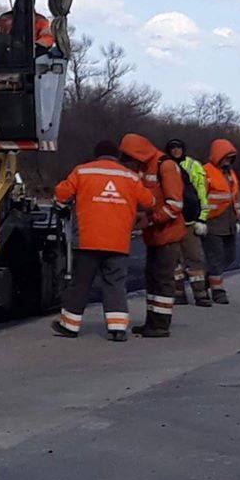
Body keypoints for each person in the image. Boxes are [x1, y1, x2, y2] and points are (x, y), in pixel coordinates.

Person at [51, 139, 154, 342]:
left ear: (97, 154)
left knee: (80, 283)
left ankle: (70, 326)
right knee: (115, 284)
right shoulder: (130, 177)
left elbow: (61, 194)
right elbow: (149, 201)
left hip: (87, 241)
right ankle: (117, 328)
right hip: (117, 242)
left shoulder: (82, 172)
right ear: (116, 156)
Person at [120, 133, 187, 337]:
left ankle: (160, 325)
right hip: (155, 235)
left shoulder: (165, 166)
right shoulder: (145, 167)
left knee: (163, 279)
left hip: (168, 234)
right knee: (153, 277)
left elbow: (175, 204)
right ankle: (153, 321)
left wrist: (150, 219)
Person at [165, 138, 212, 307]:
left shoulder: (193, 166)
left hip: (190, 220)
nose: (176, 150)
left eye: (178, 147)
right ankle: (178, 293)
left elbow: (202, 194)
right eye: (173, 148)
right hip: (172, 221)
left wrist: (202, 218)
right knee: (174, 261)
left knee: (195, 258)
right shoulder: (164, 166)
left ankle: (200, 293)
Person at [202, 138, 240, 304]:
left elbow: (234, 197)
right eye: (226, 157)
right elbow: (200, 197)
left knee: (229, 256)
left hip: (229, 222)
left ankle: (203, 279)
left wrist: (237, 217)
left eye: (231, 158)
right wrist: (200, 220)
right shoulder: (205, 172)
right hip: (212, 221)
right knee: (215, 257)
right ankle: (218, 291)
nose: (228, 161)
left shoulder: (230, 175)